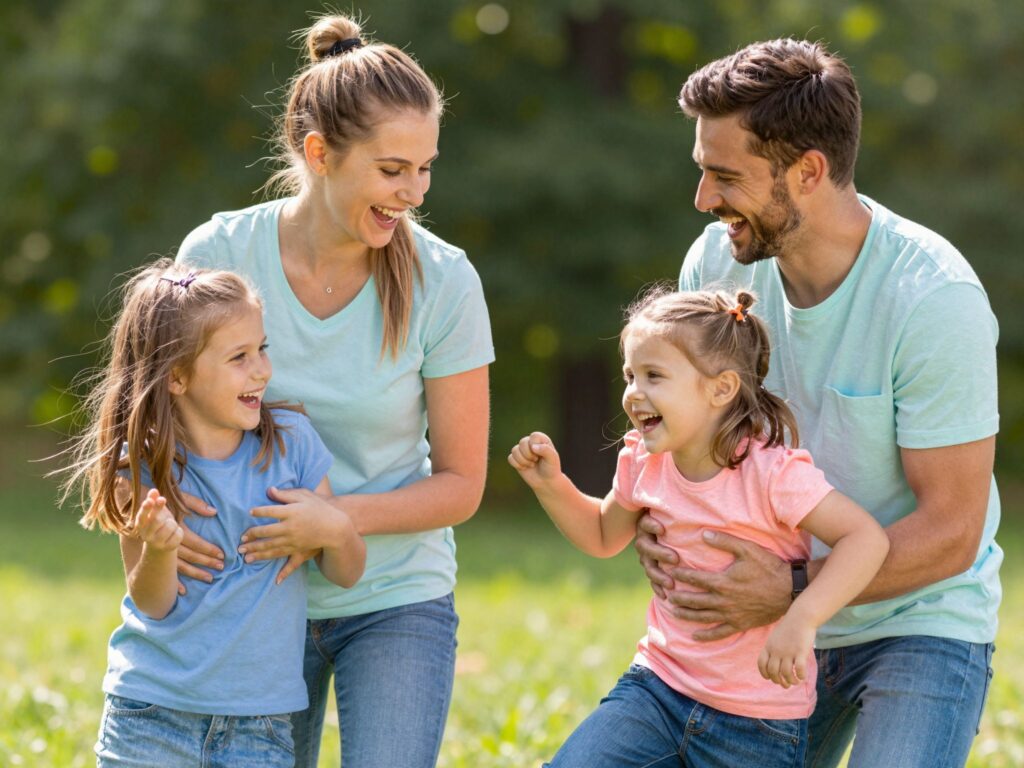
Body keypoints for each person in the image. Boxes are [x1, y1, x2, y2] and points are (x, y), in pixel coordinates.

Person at [634, 38, 1002, 767]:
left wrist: (792, 591)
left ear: (808, 171)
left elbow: (952, 531)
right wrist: (651, 518)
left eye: (725, 176)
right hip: (759, 624)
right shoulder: (715, 264)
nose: (704, 199)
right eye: (703, 170)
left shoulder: (933, 297)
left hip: (916, 620)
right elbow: (697, 442)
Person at [172, 13, 494, 768]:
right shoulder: (217, 254)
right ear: (319, 153)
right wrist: (156, 510)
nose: (414, 192)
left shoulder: (445, 281)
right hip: (254, 593)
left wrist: (333, 519)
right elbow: (165, 414)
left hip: (394, 597)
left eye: (425, 168)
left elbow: (461, 485)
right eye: (392, 170)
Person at [510, 287, 889, 767]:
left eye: (653, 375)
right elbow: (603, 535)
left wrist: (803, 617)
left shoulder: (772, 473)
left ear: (721, 389)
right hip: (657, 687)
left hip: (756, 721)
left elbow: (865, 539)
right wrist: (551, 485)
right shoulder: (643, 460)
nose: (634, 392)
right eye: (630, 375)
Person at [61, 260, 366, 766]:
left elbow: (348, 572)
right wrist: (160, 549)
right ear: (177, 377)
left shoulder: (292, 446)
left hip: (261, 726)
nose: (262, 369)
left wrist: (335, 529)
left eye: (262, 349)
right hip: (151, 714)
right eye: (239, 357)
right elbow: (152, 602)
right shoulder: (143, 467)